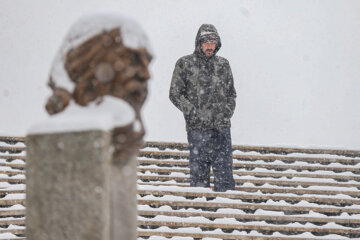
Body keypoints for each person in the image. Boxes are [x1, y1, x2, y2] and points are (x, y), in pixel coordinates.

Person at [169, 24, 236, 192]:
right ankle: (200, 213)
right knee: (199, 179)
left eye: (213, 42)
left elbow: (231, 94)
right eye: (206, 42)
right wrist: (193, 113)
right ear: (199, 42)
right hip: (197, 129)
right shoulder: (185, 63)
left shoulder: (223, 65)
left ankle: (226, 215)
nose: (209, 46)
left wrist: (226, 113)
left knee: (225, 177)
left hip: (221, 129)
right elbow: (175, 93)